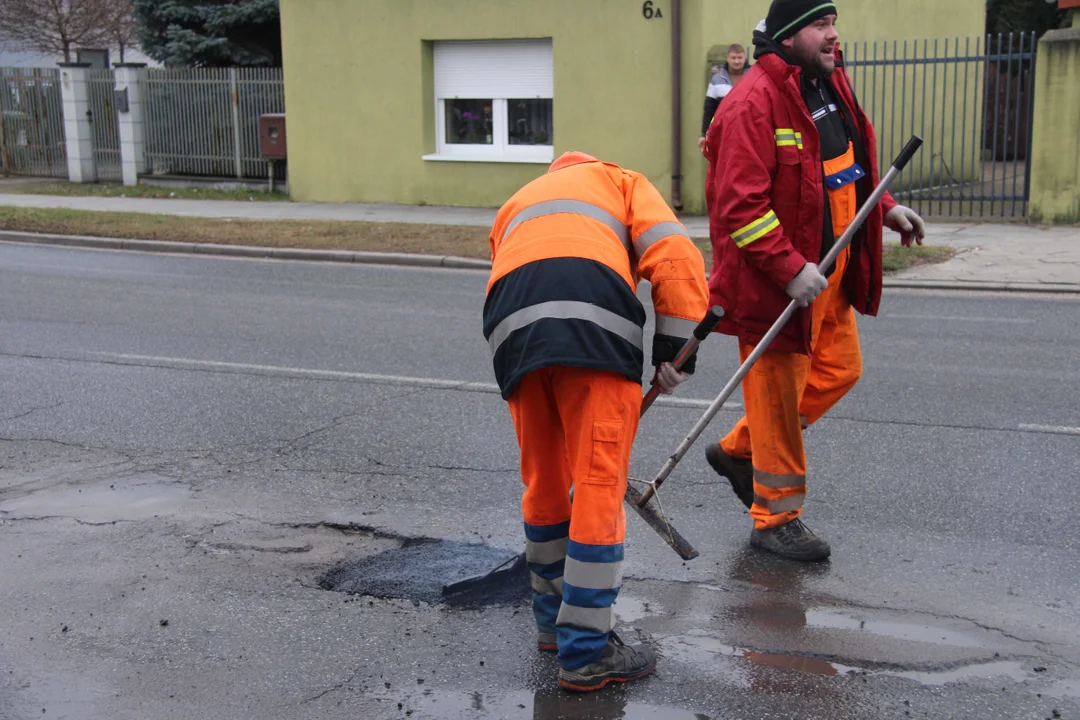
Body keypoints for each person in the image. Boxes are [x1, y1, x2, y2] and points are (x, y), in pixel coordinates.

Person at [702, 0, 926, 562]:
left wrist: (886, 207)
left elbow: (848, 163)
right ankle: (774, 518)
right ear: (788, 34)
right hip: (782, 285)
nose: (834, 35)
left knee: (840, 370)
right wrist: (788, 269)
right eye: (821, 25)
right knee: (778, 398)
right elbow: (740, 207)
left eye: (834, 23)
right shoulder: (752, 103)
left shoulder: (827, 80)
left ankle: (737, 451)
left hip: (830, 273)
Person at [483, 151, 709, 691]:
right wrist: (675, 351)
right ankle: (586, 651)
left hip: (512, 335)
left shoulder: (521, 199)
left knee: (543, 480)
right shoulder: (624, 182)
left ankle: (550, 623)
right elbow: (675, 256)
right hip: (594, 329)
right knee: (597, 486)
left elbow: (508, 267)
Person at [697, 43, 750, 151]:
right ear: (727, 58)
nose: (736, 61)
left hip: (748, 134)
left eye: (739, 58)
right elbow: (709, 110)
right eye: (733, 58)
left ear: (745, 58)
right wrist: (704, 134)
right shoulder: (716, 80)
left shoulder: (754, 77)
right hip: (724, 135)